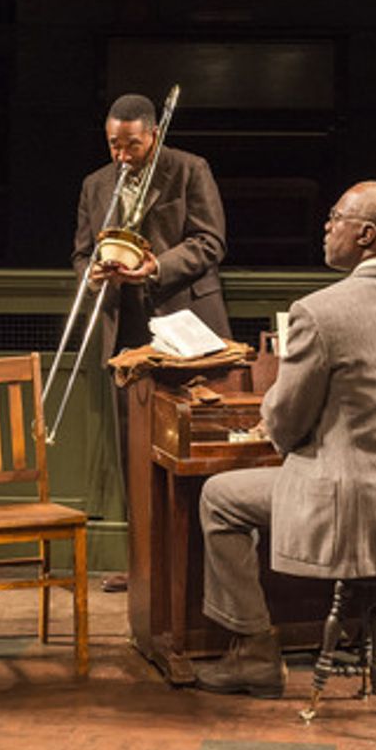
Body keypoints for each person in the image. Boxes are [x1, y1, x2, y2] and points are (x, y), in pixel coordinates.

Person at [193, 181, 376, 697]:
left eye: (335, 217)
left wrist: (295, 434)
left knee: (220, 498)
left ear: (365, 234)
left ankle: (254, 651)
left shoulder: (319, 313)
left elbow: (285, 419)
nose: (326, 228)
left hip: (354, 507)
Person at [73, 92, 229, 590]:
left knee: (188, 444)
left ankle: (193, 568)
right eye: (114, 145)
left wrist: (154, 267)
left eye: (132, 145)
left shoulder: (189, 169)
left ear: (153, 136)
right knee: (132, 450)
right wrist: (95, 274)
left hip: (185, 325)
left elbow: (210, 241)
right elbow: (80, 254)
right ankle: (142, 566)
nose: (122, 155)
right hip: (127, 332)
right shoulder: (95, 184)